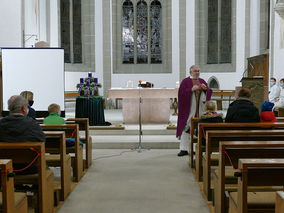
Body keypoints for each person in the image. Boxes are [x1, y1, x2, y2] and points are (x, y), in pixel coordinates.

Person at [0, 95, 45, 174]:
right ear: (24, 108)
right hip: (29, 166)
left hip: (5, 168)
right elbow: (42, 141)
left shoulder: (1, 123)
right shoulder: (32, 124)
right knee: (47, 170)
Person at [176, 65, 212, 157]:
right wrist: (191, 89)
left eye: (198, 71)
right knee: (186, 126)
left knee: (198, 127)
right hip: (189, 108)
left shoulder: (202, 81)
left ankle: (196, 148)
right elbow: (181, 94)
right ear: (190, 72)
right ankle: (183, 149)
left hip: (200, 108)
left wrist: (206, 89)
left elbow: (209, 92)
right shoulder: (185, 81)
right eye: (195, 71)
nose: (197, 73)